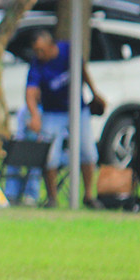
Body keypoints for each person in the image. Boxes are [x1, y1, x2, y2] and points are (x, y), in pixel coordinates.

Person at [25, 30, 106, 208]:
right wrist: (35, 116)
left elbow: (83, 71)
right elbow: (30, 92)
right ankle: (52, 198)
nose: (39, 54)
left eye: (41, 50)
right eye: (36, 51)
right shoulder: (37, 64)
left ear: (51, 46)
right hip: (52, 112)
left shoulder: (68, 50)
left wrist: (94, 93)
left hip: (78, 109)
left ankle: (89, 196)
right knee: (50, 156)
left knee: (88, 152)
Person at [2, 104, 44, 206]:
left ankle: (31, 195)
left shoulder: (48, 111)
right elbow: (20, 134)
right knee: (14, 160)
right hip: (23, 148)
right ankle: (11, 194)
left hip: (40, 152)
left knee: (36, 161)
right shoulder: (23, 111)